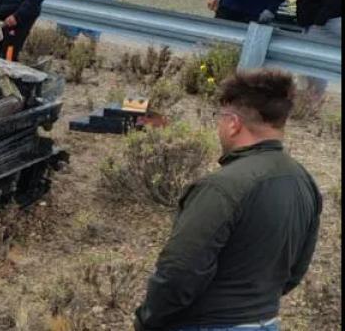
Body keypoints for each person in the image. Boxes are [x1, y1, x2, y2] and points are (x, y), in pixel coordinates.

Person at [134, 70, 321, 331]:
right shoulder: (304, 182)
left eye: (219, 118)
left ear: (233, 123)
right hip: (266, 321)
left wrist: (147, 320)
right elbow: (295, 270)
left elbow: (179, 273)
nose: (219, 126)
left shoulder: (221, 188)